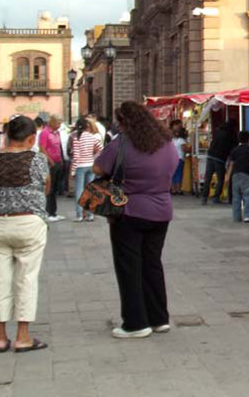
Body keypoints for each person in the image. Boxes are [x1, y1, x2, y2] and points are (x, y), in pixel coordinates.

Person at [93, 102, 178, 339]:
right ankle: (159, 318)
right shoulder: (168, 144)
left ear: (124, 122)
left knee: (129, 267)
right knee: (152, 264)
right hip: (161, 211)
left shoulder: (120, 144)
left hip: (129, 211)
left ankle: (135, 322)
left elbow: (98, 168)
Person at [0, 115, 50, 353]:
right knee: (26, 278)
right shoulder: (37, 159)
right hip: (28, 222)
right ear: (31, 138)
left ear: (7, 135)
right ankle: (22, 336)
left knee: (0, 280)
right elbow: (46, 186)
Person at [69, 118, 103, 222]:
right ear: (87, 126)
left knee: (79, 190)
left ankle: (79, 215)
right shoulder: (92, 137)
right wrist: (93, 158)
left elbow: (76, 156)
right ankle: (90, 214)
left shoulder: (76, 138)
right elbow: (101, 149)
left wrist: (73, 170)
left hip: (80, 166)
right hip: (90, 164)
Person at [38, 115, 65, 222]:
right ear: (52, 122)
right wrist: (50, 161)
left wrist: (61, 160)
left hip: (58, 162)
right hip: (50, 163)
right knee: (50, 188)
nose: (59, 126)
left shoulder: (57, 133)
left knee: (55, 188)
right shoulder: (45, 133)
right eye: (58, 123)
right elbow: (42, 148)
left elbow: (58, 147)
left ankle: (53, 212)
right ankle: (48, 212)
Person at [225, 131, 249, 223]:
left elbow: (231, 164)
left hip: (235, 175)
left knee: (236, 197)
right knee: (247, 196)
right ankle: (248, 216)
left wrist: (228, 176)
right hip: (246, 174)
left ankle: (236, 217)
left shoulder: (234, 150)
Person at [201, 121, 235, 205]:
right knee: (220, 179)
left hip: (210, 156)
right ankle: (216, 197)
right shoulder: (230, 135)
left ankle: (204, 197)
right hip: (220, 158)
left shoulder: (218, 132)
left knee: (208, 178)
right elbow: (231, 148)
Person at [171, 129, 189, 196]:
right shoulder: (181, 140)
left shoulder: (171, 140)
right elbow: (185, 149)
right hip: (179, 158)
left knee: (173, 174)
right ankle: (178, 190)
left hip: (172, 159)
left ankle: (173, 189)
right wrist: (188, 149)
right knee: (179, 174)